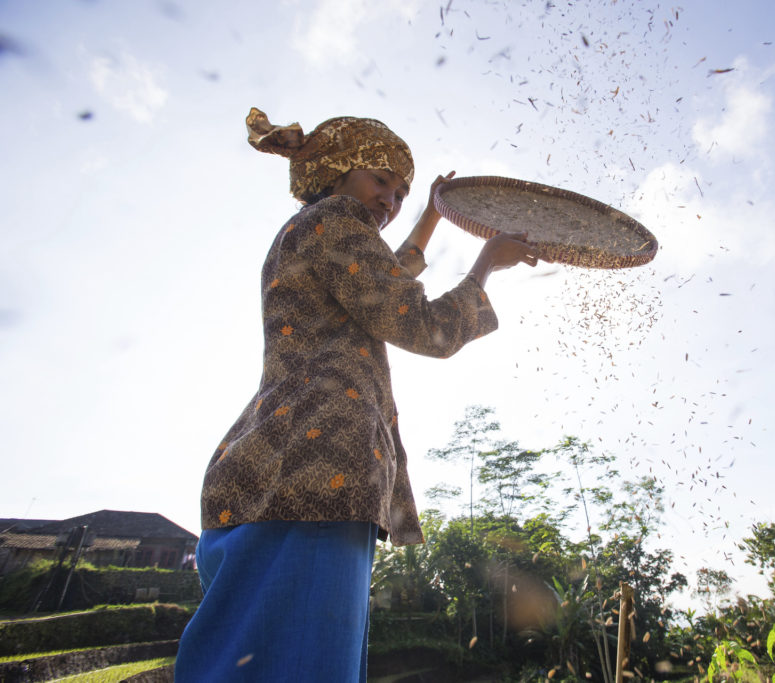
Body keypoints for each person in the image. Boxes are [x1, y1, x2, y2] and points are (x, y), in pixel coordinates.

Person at [174, 108, 537, 682]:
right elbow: (419, 323)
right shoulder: (338, 220)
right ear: (341, 172)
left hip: (267, 476)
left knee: (239, 662)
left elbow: (384, 280)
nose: (389, 201)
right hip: (318, 480)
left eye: (400, 193)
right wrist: (486, 266)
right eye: (381, 182)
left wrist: (429, 217)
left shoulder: (319, 230)